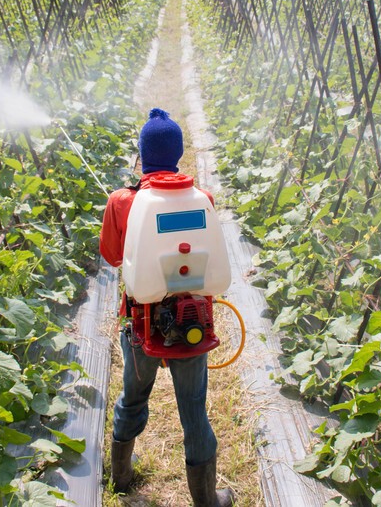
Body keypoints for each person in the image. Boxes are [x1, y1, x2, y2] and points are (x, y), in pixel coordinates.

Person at [99, 107, 235, 507]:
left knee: (132, 397)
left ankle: (121, 478)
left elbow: (111, 256)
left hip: (141, 325)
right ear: (177, 155)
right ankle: (207, 499)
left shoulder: (123, 200)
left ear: (143, 156)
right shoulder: (202, 198)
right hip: (193, 323)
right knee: (193, 408)